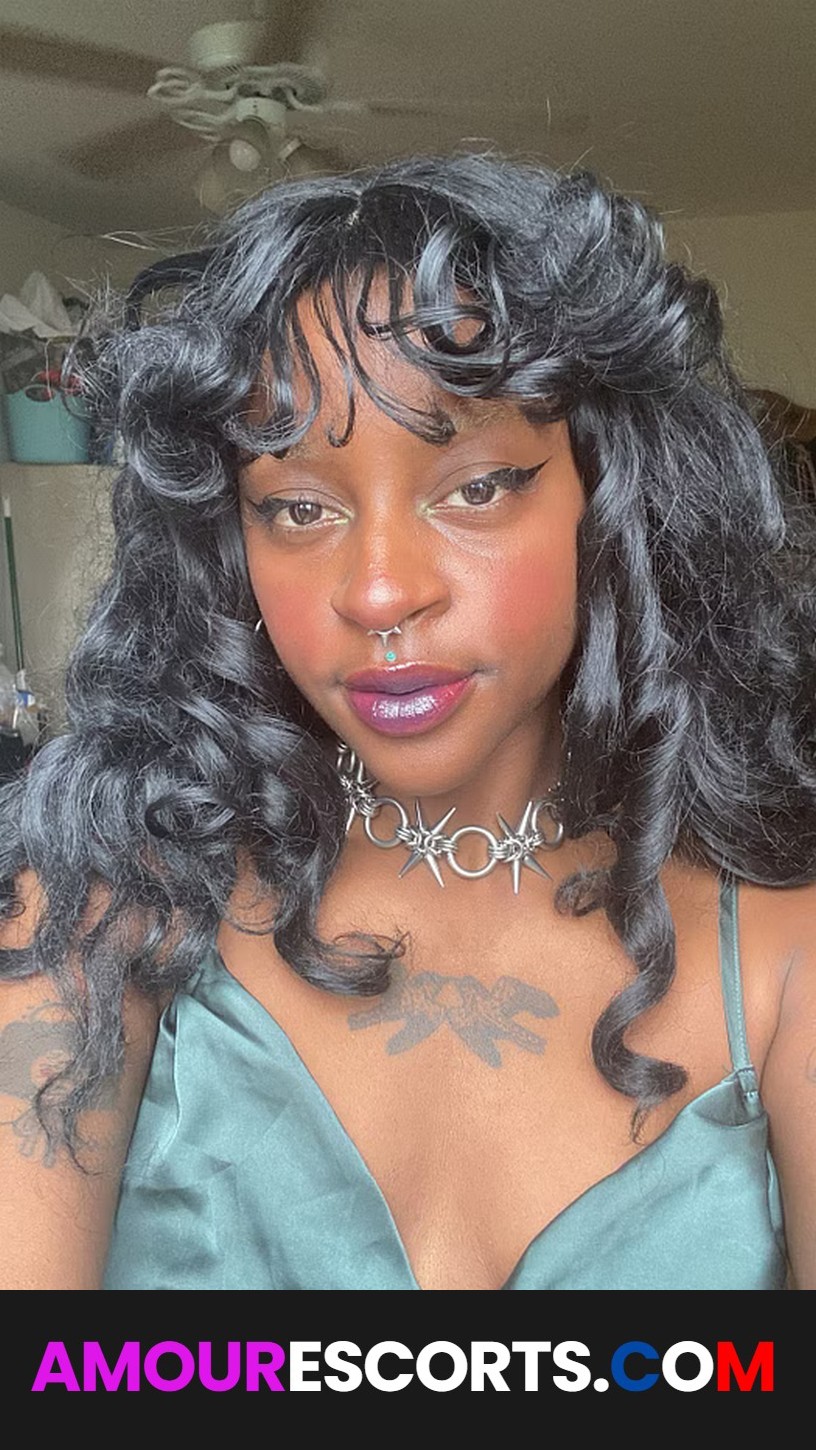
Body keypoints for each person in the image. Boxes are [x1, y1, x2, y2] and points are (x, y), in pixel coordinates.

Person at [0, 153, 815, 1292]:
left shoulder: (781, 948)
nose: (380, 593)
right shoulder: (102, 898)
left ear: (614, 500)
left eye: (476, 487)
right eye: (297, 507)